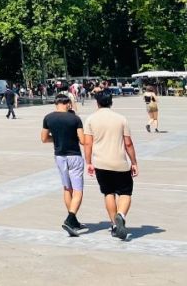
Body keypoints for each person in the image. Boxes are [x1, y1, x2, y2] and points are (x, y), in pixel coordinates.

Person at [83, 90, 138, 241]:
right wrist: (134, 162)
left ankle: (114, 225)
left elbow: (87, 143)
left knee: (108, 193)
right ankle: (121, 215)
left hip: (101, 163)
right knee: (125, 193)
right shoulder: (121, 119)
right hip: (120, 163)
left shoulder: (90, 119)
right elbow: (128, 143)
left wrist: (88, 162)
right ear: (111, 102)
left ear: (97, 103)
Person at [41, 94, 88, 236]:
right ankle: (70, 219)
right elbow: (83, 140)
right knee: (78, 190)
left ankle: (73, 221)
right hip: (74, 156)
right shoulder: (75, 119)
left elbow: (44, 138)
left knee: (67, 188)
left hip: (60, 156)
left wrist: (56, 139)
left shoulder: (48, 118)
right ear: (67, 103)